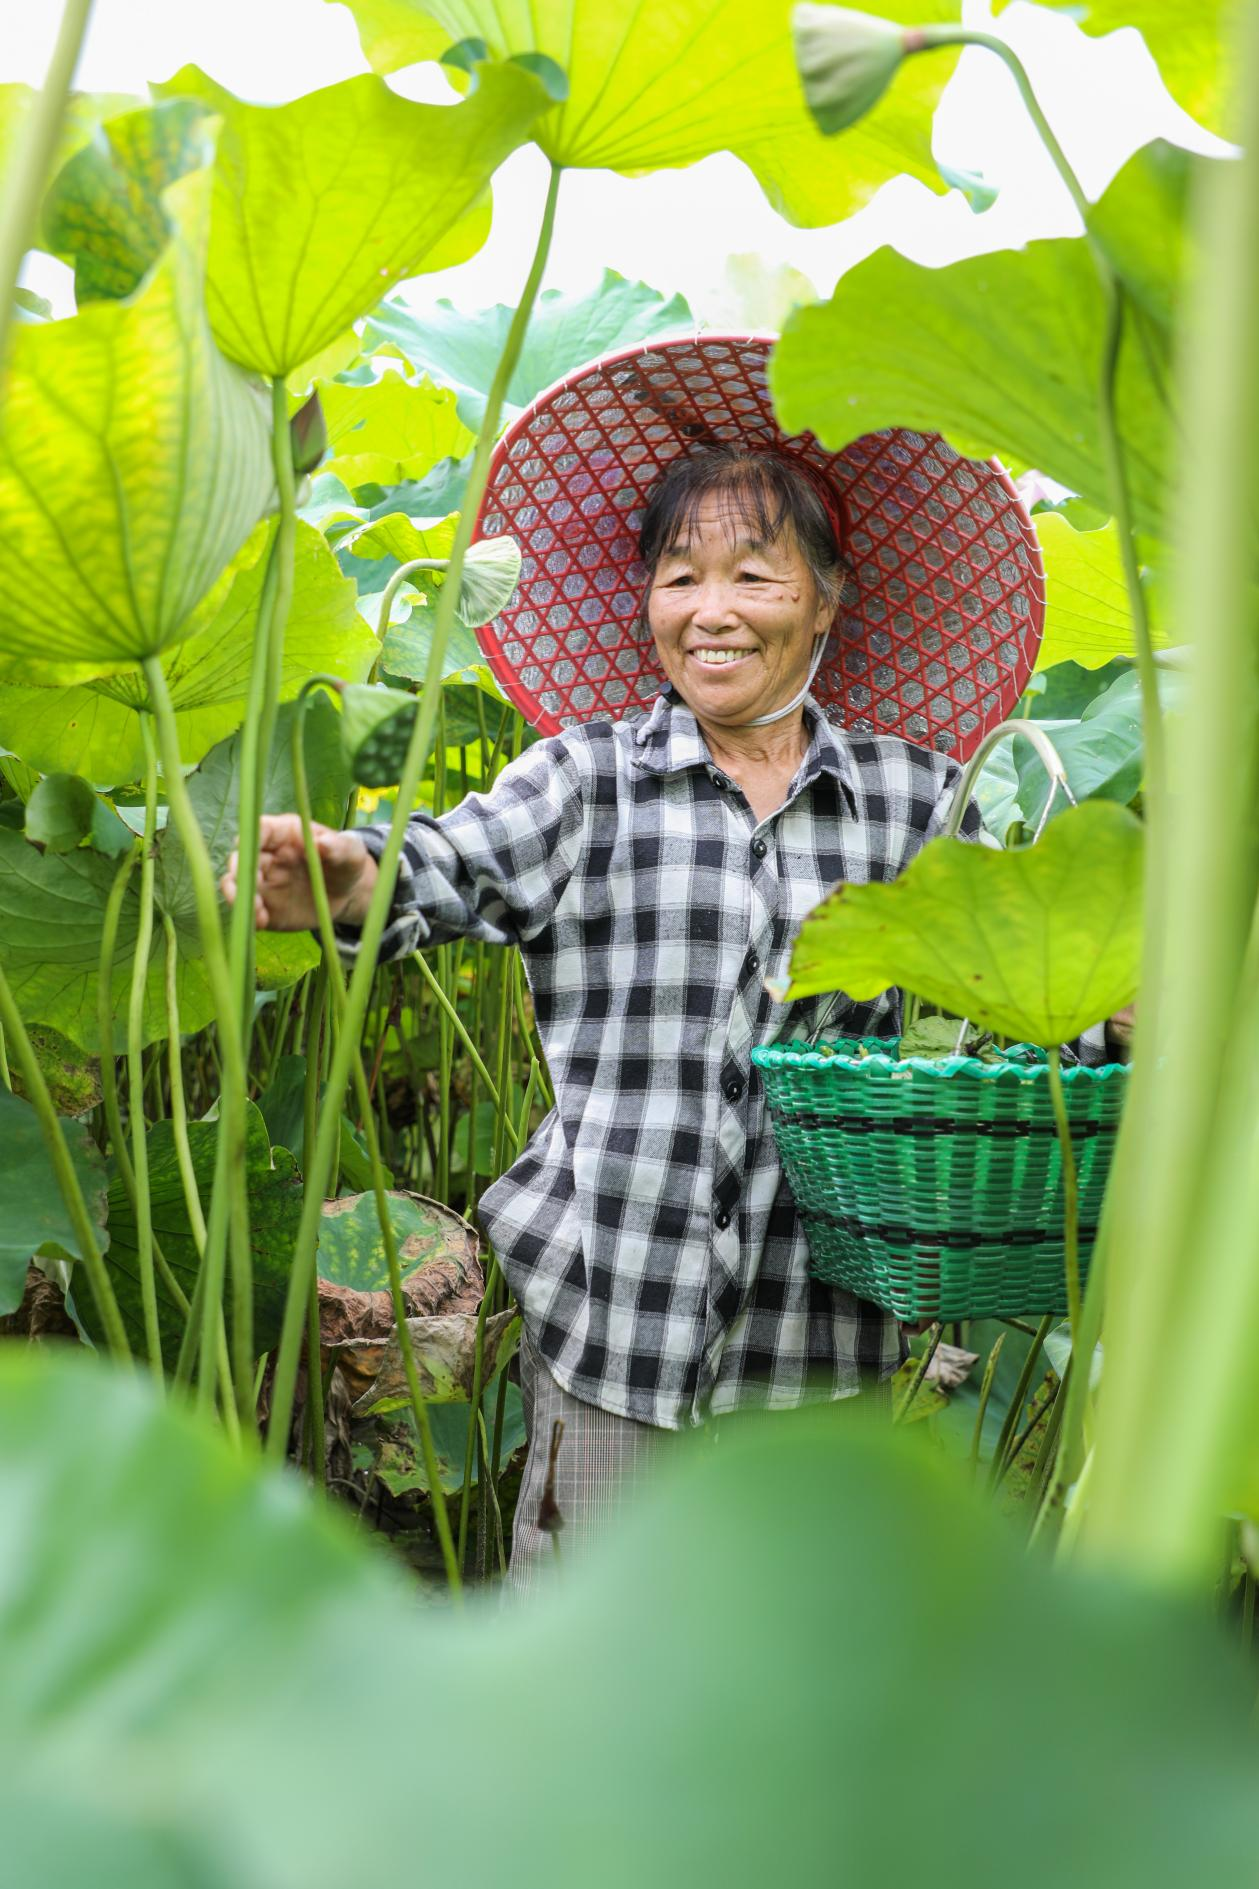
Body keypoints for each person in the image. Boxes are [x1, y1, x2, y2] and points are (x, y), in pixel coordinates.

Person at [223, 339, 1114, 1590]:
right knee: (586, 1659)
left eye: (752, 572)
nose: (709, 609)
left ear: (826, 596)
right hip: (612, 1317)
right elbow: (452, 867)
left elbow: (1024, 1001)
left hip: (822, 1336)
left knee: (784, 1676)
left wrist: (1121, 1014)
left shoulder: (917, 804)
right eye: (678, 574)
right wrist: (351, 876)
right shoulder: (584, 777)